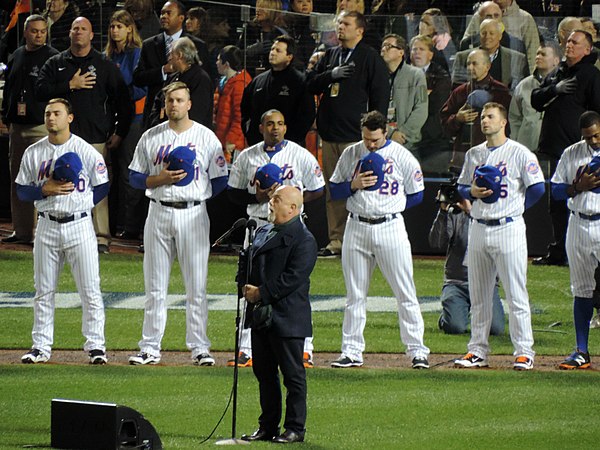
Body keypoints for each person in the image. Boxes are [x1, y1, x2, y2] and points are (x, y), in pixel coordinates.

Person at [127, 81, 228, 366]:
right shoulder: (151, 136)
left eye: (179, 100)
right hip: (158, 212)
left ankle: (199, 348)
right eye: (170, 100)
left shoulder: (206, 137)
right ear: (165, 104)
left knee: (196, 286)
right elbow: (134, 177)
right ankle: (149, 347)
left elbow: (220, 180)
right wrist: (159, 181)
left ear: (189, 104)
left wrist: (195, 194)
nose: (174, 105)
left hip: (193, 215)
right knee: (155, 285)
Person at [328, 110, 430, 369]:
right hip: (356, 227)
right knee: (355, 294)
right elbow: (335, 188)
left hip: (390, 227)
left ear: (386, 132)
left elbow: (417, 193)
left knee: (405, 291)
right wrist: (354, 185)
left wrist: (391, 205)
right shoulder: (352, 153)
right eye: (366, 139)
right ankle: (351, 351)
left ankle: (417, 351)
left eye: (375, 139)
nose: (370, 144)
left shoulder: (402, 156)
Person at [227, 109, 325, 368]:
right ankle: (246, 347)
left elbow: (317, 189)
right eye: (270, 124)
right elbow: (233, 194)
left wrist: (293, 203)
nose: (276, 128)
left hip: (290, 230)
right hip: (257, 227)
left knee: (296, 287)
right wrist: (259, 198)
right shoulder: (247, 156)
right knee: (251, 284)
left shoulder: (301, 154)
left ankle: (305, 348)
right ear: (261, 127)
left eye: (280, 123)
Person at [17, 98, 109, 365]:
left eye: (56, 113)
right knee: (43, 290)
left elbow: (103, 184)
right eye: (47, 113)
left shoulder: (86, 151)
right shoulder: (33, 152)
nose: (50, 118)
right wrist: (44, 190)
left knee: (90, 289)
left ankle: (96, 346)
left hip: (80, 225)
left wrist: (85, 203)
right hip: (46, 225)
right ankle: (41, 346)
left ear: (69, 117)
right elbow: (22, 190)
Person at [454, 102, 545, 370]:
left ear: (503, 122)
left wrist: (518, 209)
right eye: (482, 117)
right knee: (479, 295)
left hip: (509, 228)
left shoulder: (519, 153)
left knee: (516, 293)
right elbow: (461, 186)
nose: (484, 121)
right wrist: (471, 192)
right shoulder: (474, 153)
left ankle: (524, 351)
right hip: (479, 227)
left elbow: (537, 187)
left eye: (490, 117)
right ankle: (477, 350)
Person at [36, 16, 133, 254]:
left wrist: (119, 132)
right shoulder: (56, 62)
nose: (78, 32)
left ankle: (101, 237)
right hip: (60, 140)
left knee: (97, 185)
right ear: (69, 34)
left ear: (92, 35)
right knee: (59, 183)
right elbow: (40, 91)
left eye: (84, 29)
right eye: (75, 28)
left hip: (95, 137)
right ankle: (58, 233)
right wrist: (70, 85)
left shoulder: (104, 64)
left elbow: (124, 100)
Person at [307, 10, 389, 257]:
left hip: (357, 137)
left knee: (363, 188)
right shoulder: (330, 55)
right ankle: (336, 241)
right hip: (330, 134)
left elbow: (380, 97)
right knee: (335, 190)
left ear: (360, 30)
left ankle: (364, 240)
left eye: (346, 23)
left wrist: (375, 132)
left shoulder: (370, 57)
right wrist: (330, 75)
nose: (340, 26)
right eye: (339, 22)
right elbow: (309, 83)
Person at [240, 185, 318, 444]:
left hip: (287, 318)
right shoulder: (262, 231)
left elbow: (292, 279)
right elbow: (249, 263)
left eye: (276, 199)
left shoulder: (304, 240)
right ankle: (268, 426)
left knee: (292, 376)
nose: (270, 203)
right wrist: (243, 283)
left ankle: (296, 428)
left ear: (293, 208)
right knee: (264, 373)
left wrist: (260, 293)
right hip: (262, 316)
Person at [531, 30, 600, 266]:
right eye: (568, 41)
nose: (569, 45)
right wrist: (555, 88)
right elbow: (535, 99)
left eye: (575, 42)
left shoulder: (591, 75)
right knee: (557, 202)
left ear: (587, 50)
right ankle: (559, 250)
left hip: (579, 150)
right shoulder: (558, 72)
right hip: (553, 148)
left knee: (583, 199)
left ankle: (577, 250)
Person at [1, 14, 59, 245]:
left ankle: (42, 231)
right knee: (19, 179)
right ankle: (22, 230)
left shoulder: (53, 57)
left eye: (42, 31)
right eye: (34, 31)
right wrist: (7, 115)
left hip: (40, 127)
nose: (39, 35)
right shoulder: (16, 55)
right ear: (26, 32)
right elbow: (11, 89)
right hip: (18, 127)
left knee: (43, 179)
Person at [551, 111, 600, 369]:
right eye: (588, 137)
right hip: (578, 224)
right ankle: (581, 350)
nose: (593, 141)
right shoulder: (571, 153)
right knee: (581, 289)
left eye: (597, 135)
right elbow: (556, 189)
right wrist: (578, 187)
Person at [428, 189, 505, 335]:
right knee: (455, 327)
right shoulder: (455, 214)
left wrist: (471, 213)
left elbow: (492, 241)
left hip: (486, 284)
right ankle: (449, 316)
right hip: (456, 282)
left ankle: (467, 311)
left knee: (496, 329)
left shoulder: (495, 214)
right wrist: (443, 212)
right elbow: (436, 242)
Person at [133, 0, 209, 128]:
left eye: (168, 13)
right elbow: (138, 77)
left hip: (188, 120)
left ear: (181, 18)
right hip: (155, 118)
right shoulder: (149, 45)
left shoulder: (198, 46)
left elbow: (204, 82)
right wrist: (162, 70)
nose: (163, 17)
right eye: (162, 13)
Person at [440, 48, 511, 171]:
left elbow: (509, 125)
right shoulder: (459, 92)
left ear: (487, 66)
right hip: (463, 158)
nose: (470, 68)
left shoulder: (501, 92)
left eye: (474, 63)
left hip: (494, 156)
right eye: (468, 64)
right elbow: (444, 125)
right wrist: (457, 118)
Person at [241, 35, 315, 147]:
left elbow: (307, 115)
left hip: (288, 148)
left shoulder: (300, 82)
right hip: (259, 145)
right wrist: (249, 133)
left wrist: (292, 140)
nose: (273, 53)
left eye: (278, 50)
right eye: (272, 49)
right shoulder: (258, 80)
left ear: (289, 56)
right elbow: (245, 109)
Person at [148, 36, 213, 129]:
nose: (169, 58)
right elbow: (158, 102)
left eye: (171, 54)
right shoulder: (172, 77)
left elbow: (197, 115)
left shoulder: (200, 79)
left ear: (179, 55)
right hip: (166, 134)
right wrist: (158, 125)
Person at [408, 34, 452, 172]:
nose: (417, 53)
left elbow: (434, 106)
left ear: (431, 55)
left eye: (421, 49)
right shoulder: (402, 74)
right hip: (407, 135)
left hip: (432, 136)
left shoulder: (441, 76)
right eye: (414, 49)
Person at [509, 42, 561, 153]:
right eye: (537, 54)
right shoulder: (523, 85)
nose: (538, 57)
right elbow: (514, 117)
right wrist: (515, 141)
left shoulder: (562, 85)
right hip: (525, 147)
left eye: (543, 54)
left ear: (556, 61)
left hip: (554, 149)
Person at [380, 33, 428, 153]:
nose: (383, 49)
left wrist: (402, 134)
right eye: (382, 46)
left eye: (388, 46)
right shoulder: (376, 75)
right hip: (380, 140)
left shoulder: (416, 75)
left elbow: (421, 109)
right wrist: (390, 132)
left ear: (401, 52)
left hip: (407, 143)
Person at [453, 18, 529, 92]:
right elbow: (457, 88)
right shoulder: (462, 57)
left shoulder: (517, 59)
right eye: (483, 33)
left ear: (500, 36)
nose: (487, 37)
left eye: (491, 33)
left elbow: (520, 90)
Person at [462, 0, 539, 72]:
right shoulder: (480, 14)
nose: (492, 18)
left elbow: (533, 54)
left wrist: (530, 82)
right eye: (488, 16)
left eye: (496, 16)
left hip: (512, 76)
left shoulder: (525, 19)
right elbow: (466, 44)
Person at [214, 45, 252, 163]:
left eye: (219, 60)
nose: (216, 63)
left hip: (232, 146)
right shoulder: (225, 82)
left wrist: (232, 140)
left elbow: (239, 116)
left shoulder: (240, 84)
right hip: (222, 140)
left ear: (227, 64)